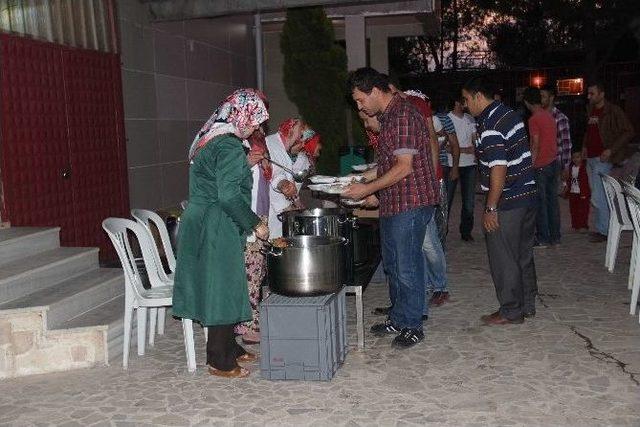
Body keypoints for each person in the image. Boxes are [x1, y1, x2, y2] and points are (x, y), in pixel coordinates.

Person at [174, 88, 270, 378]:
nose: (256, 128)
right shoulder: (228, 145)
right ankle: (220, 359)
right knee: (221, 288)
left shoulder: (212, 137)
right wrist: (255, 223)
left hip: (203, 218)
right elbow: (229, 197)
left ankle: (230, 347)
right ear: (242, 115)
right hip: (216, 221)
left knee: (226, 283)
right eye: (255, 121)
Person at [343, 67, 440, 348]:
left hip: (411, 202)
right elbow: (387, 164)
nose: (359, 107)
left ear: (374, 91)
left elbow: (404, 168)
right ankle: (398, 317)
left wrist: (368, 188)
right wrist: (361, 182)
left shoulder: (403, 116)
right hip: (395, 201)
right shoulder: (390, 117)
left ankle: (412, 325)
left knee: (406, 266)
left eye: (360, 100)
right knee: (395, 265)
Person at [462, 76, 538, 325]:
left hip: (507, 199)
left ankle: (510, 310)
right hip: (526, 194)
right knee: (522, 254)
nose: (464, 105)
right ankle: (526, 305)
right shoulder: (508, 113)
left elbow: (498, 168)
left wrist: (491, 207)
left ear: (477, 96)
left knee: (503, 257)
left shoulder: (490, 123)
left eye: (465, 99)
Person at [582, 81, 635, 243]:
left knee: (600, 195)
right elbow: (589, 131)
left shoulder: (613, 110)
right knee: (597, 194)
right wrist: (584, 146)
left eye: (592, 93)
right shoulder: (591, 109)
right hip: (591, 157)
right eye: (588, 93)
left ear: (602, 94)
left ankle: (604, 230)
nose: (589, 96)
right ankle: (601, 228)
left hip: (604, 158)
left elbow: (629, 131)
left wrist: (611, 150)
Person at [234, 126, 272, 345]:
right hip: (248, 216)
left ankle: (250, 321)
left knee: (256, 272)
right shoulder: (237, 146)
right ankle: (248, 327)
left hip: (259, 215)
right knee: (250, 273)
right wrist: (248, 163)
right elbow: (232, 181)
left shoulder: (258, 143)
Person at [523, 86, 561, 248]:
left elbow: (535, 144)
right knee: (553, 202)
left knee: (540, 203)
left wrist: (530, 165)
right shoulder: (549, 116)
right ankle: (555, 236)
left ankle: (543, 237)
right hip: (553, 162)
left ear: (527, 102)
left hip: (541, 165)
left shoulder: (533, 119)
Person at [266, 118, 306, 238]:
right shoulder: (272, 144)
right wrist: (288, 208)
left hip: (278, 213)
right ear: (289, 132)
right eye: (300, 133)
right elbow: (274, 177)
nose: (302, 138)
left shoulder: (280, 147)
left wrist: (296, 201)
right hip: (272, 213)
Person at [447, 97, 478, 242]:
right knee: (446, 200)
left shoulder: (470, 119)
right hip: (451, 163)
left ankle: (466, 231)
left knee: (469, 202)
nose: (465, 104)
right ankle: (443, 230)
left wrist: (471, 149)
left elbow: (475, 142)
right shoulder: (447, 119)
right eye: (462, 102)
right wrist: (463, 149)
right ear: (455, 102)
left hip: (469, 165)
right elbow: (445, 146)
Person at [540, 85, 572, 173]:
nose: (540, 99)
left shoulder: (560, 118)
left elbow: (566, 144)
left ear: (551, 98)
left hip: (555, 165)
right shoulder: (539, 117)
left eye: (543, 96)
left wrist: (566, 167)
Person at [565, 149, 590, 232]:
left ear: (581, 157)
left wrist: (585, 193)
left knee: (583, 210)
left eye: (578, 157)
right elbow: (568, 179)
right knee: (573, 210)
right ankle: (575, 225)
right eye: (574, 158)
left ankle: (583, 225)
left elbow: (586, 181)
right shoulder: (571, 167)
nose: (576, 159)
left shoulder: (584, 168)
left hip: (582, 192)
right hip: (573, 191)